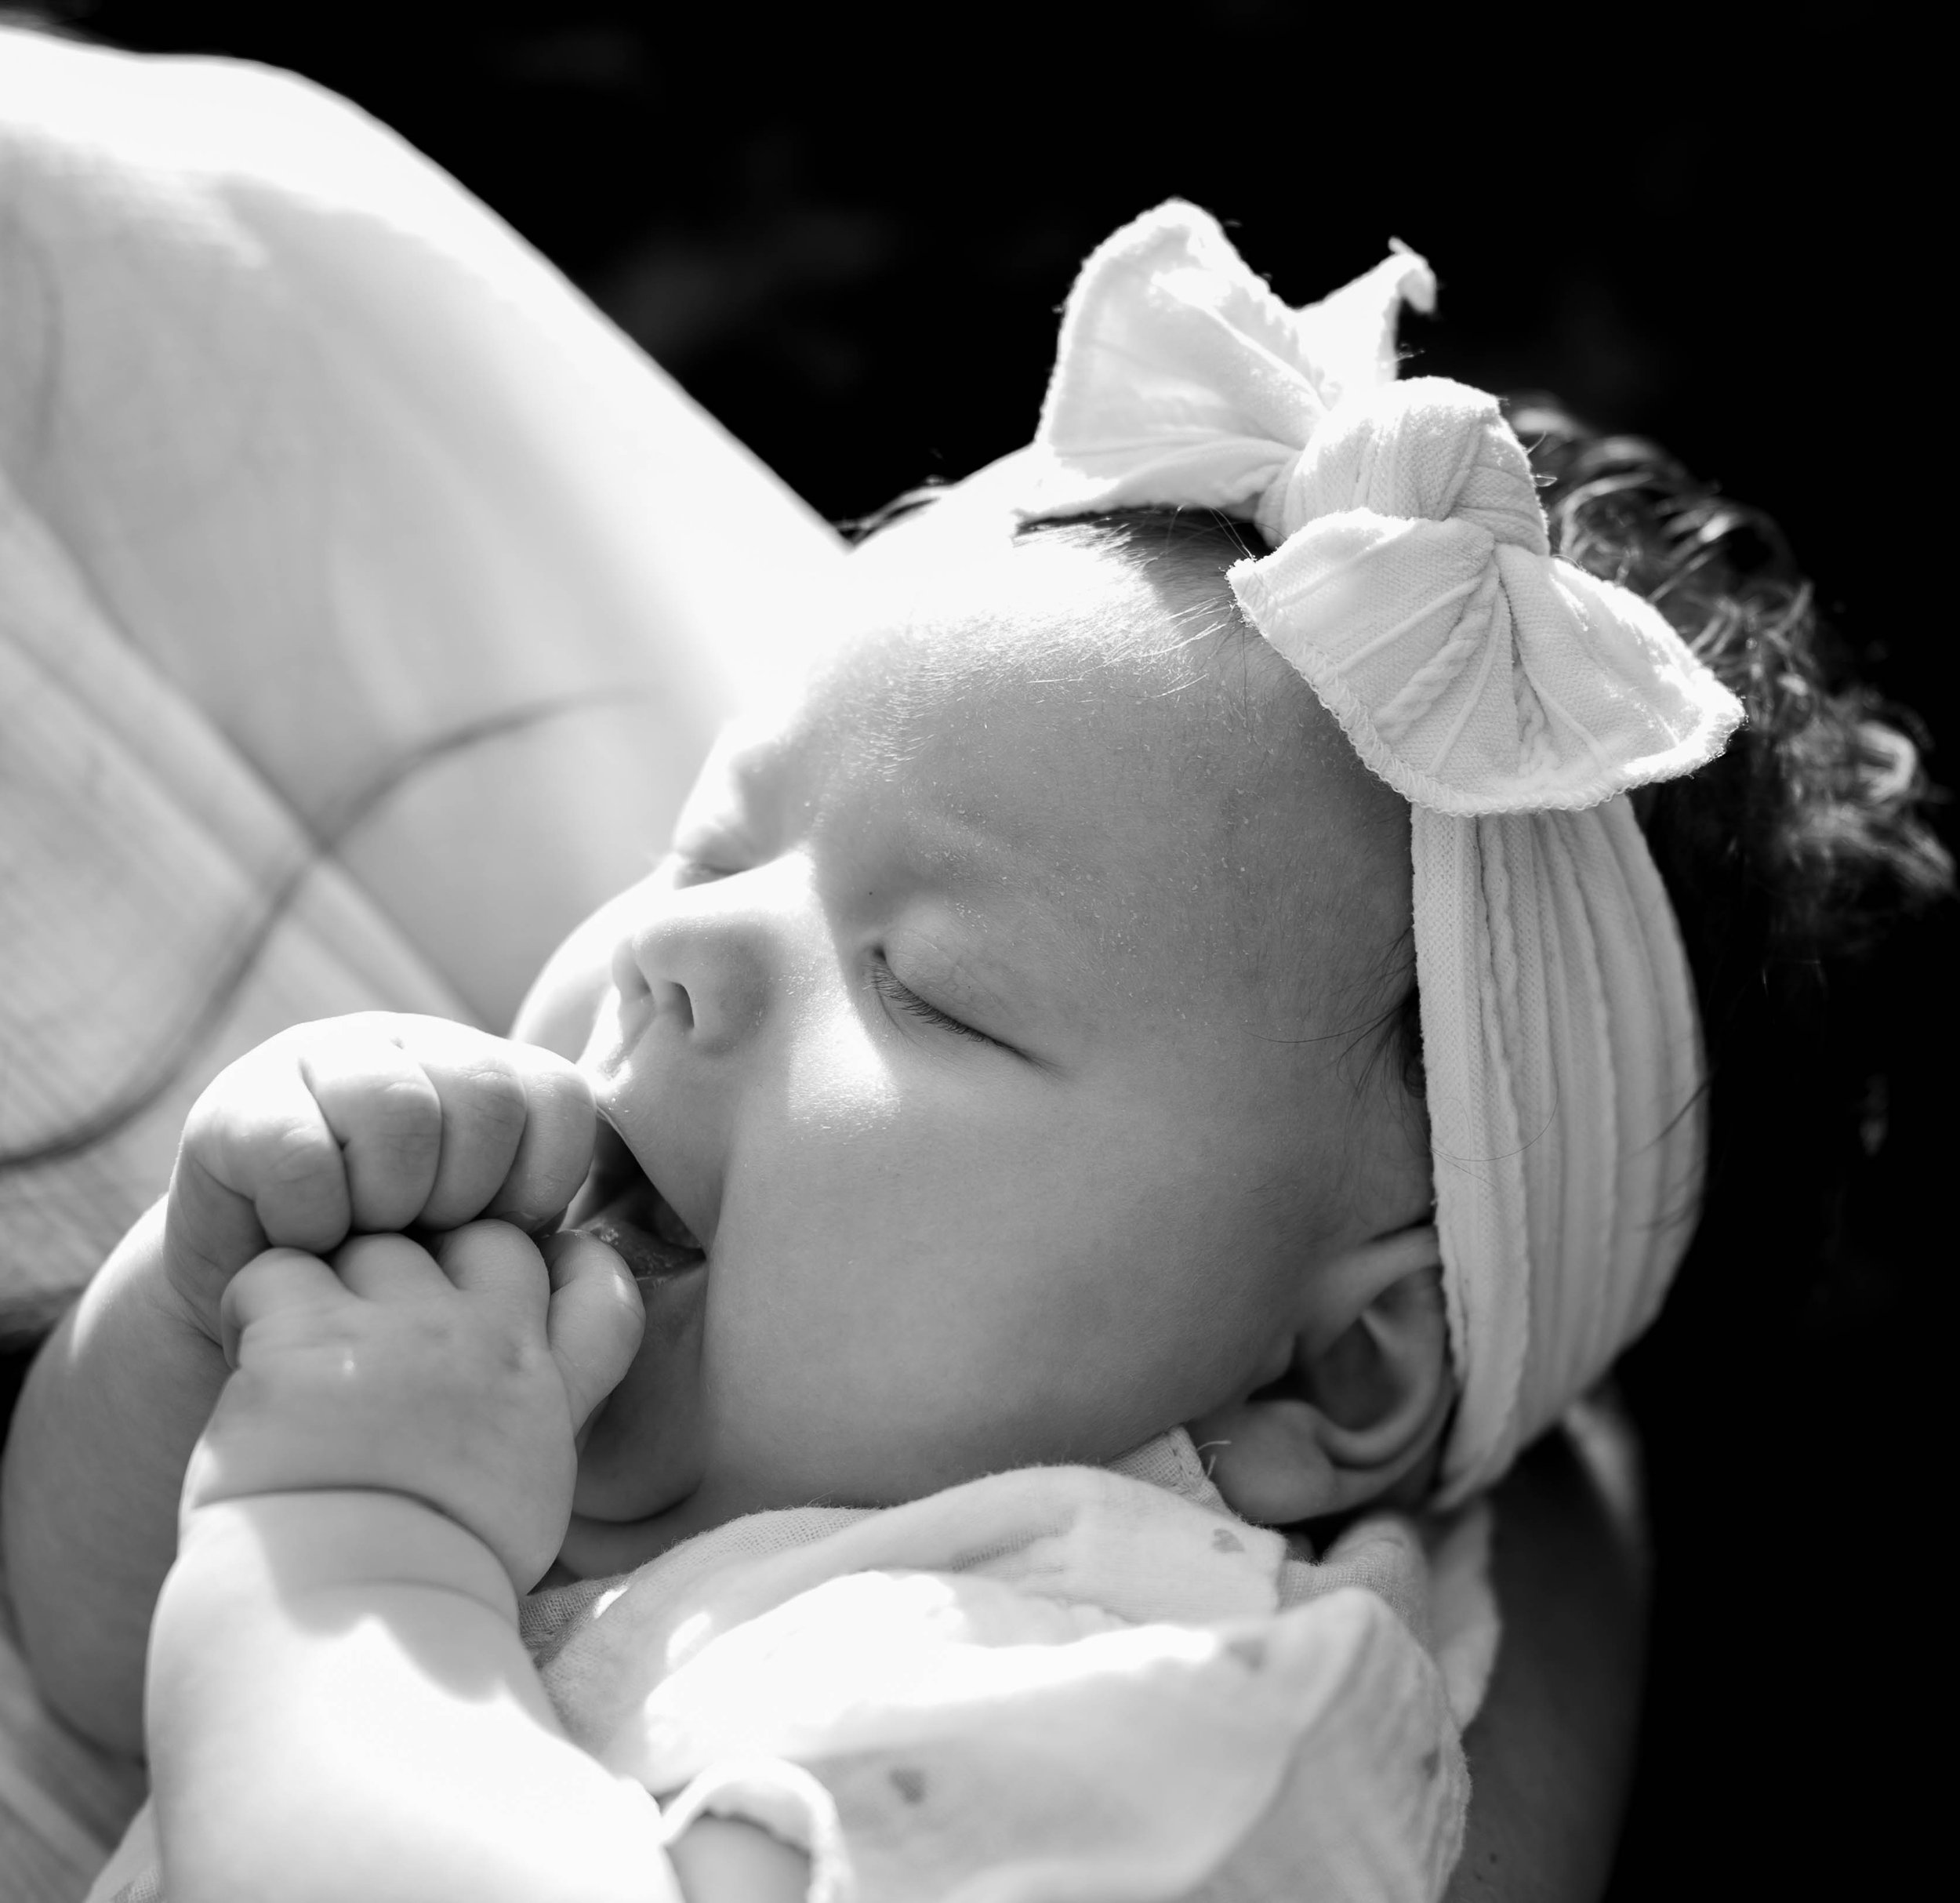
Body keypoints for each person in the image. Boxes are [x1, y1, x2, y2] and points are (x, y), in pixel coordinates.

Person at [1, 35, 1942, 1903]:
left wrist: (350, 1547)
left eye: (926, 984)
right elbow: (102, 1674)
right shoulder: (661, 1459)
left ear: (1329, 1364)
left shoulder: (1122, 1694)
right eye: (707, 846)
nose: (673, 951)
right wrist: (206, 1334)